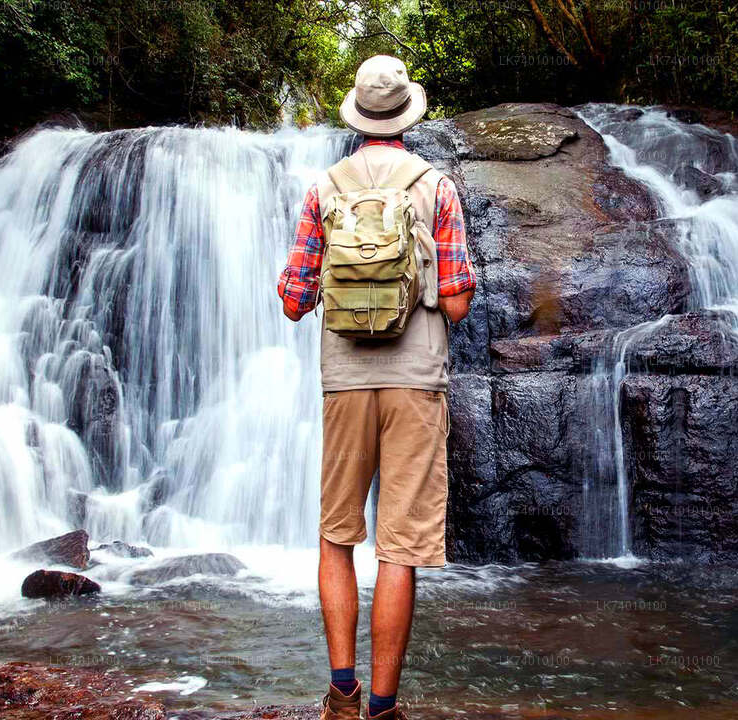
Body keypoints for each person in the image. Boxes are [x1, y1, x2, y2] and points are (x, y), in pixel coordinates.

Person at [276, 54, 475, 720]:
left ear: (359, 116)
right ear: (406, 117)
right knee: (400, 547)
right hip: (416, 381)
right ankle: (385, 708)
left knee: (337, 536)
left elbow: (294, 301)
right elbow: (456, 304)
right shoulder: (437, 187)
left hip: (345, 382)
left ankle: (341, 693)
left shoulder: (322, 189)